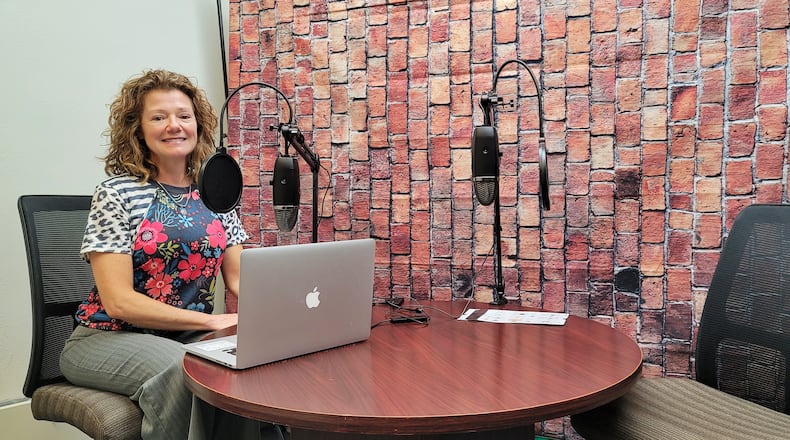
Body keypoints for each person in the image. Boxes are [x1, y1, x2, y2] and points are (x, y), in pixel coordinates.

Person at [59, 69, 269, 439]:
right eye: (159, 117)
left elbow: (238, 278)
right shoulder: (116, 194)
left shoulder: (219, 194)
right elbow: (119, 302)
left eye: (183, 116)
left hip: (186, 337)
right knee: (187, 369)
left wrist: (286, 311)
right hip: (106, 337)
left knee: (243, 369)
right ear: (138, 129)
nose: (174, 125)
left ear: (198, 125)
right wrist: (211, 322)